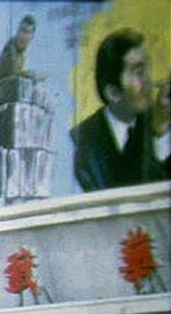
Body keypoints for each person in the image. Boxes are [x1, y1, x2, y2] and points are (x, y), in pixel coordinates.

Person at [72, 29, 169, 192]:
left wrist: (160, 133)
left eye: (147, 69)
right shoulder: (85, 138)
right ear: (113, 93)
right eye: (138, 73)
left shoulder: (158, 120)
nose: (149, 81)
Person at [0, 14, 37, 84]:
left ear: (32, 36)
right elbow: (14, 78)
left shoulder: (21, 51)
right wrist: (29, 75)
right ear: (18, 31)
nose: (23, 35)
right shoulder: (11, 49)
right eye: (22, 30)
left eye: (27, 32)